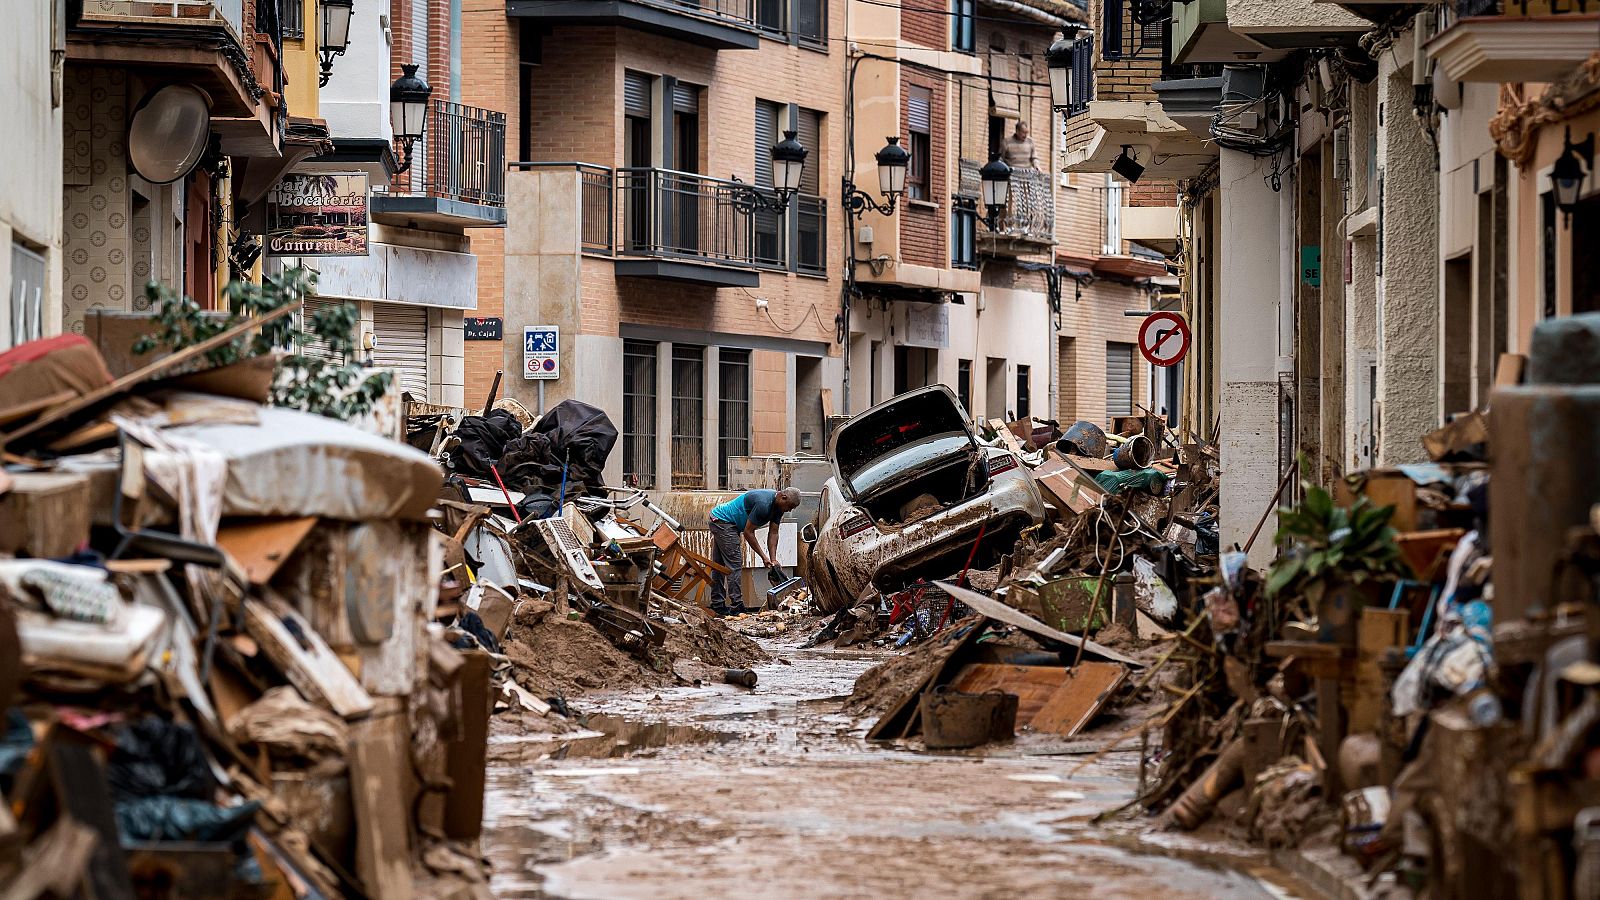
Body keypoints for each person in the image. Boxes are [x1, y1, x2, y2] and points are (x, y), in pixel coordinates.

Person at [707, 487, 801, 617]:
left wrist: (773, 559)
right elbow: (748, 532)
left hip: (723, 521)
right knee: (734, 564)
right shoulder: (764, 504)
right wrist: (763, 557)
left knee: (719, 566)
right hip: (723, 522)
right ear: (783, 497)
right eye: (790, 506)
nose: (789, 510)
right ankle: (737, 606)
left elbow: (773, 533)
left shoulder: (778, 508)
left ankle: (717, 605)